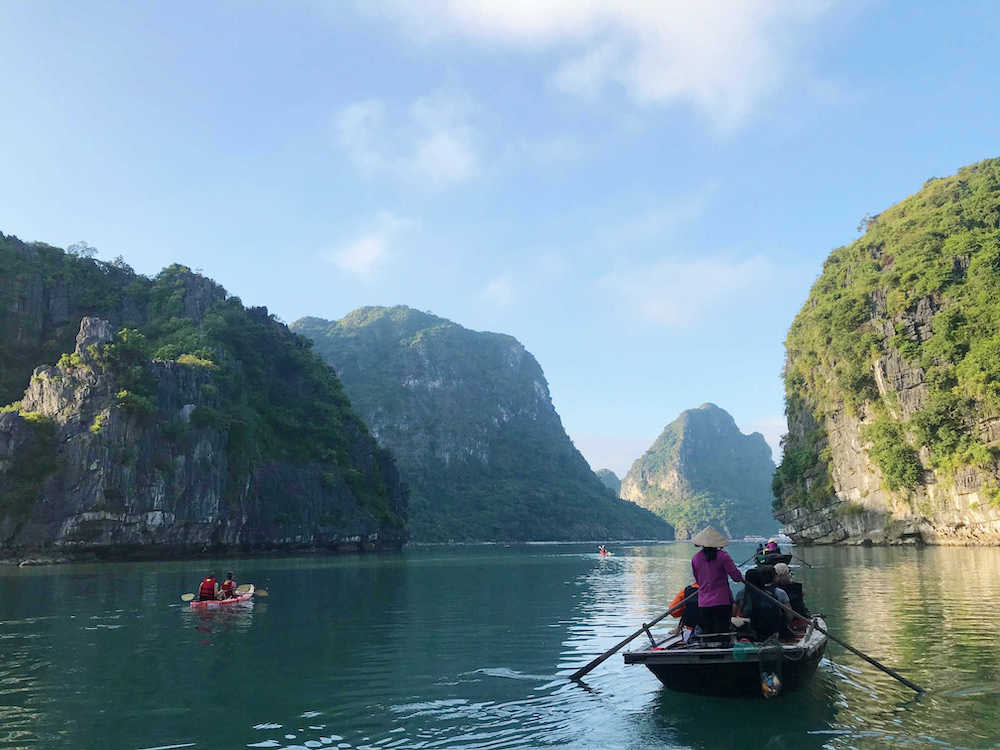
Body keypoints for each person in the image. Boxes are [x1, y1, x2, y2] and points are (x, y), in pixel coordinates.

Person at [690, 526, 743, 639]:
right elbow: (736, 577)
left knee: (708, 633)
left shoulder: (695, 558)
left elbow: (698, 580)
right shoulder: (723, 556)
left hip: (703, 603)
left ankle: (708, 653)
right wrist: (741, 578)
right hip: (722, 601)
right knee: (722, 633)